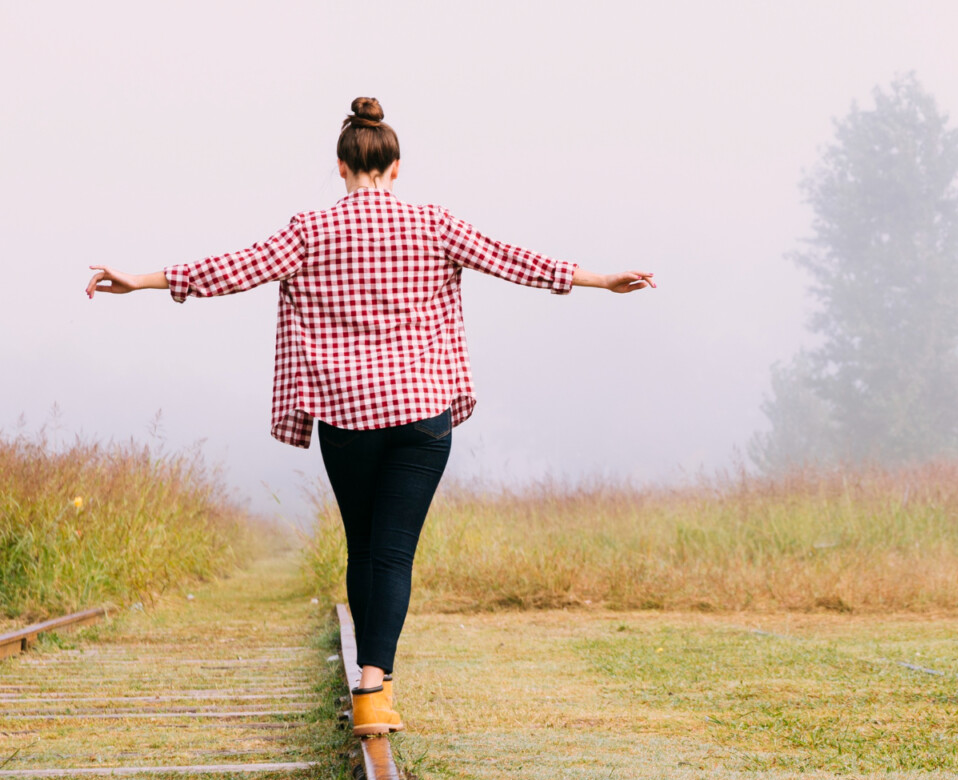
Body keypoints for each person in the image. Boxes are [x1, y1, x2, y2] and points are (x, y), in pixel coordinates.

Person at [85, 96, 655, 736]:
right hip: (421, 413)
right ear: (396, 167)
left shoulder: (309, 230)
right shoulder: (432, 223)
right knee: (393, 555)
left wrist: (140, 280)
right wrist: (601, 279)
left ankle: (371, 684)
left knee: (364, 547)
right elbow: (514, 260)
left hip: (345, 416)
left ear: (340, 167)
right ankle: (372, 688)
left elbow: (228, 270)